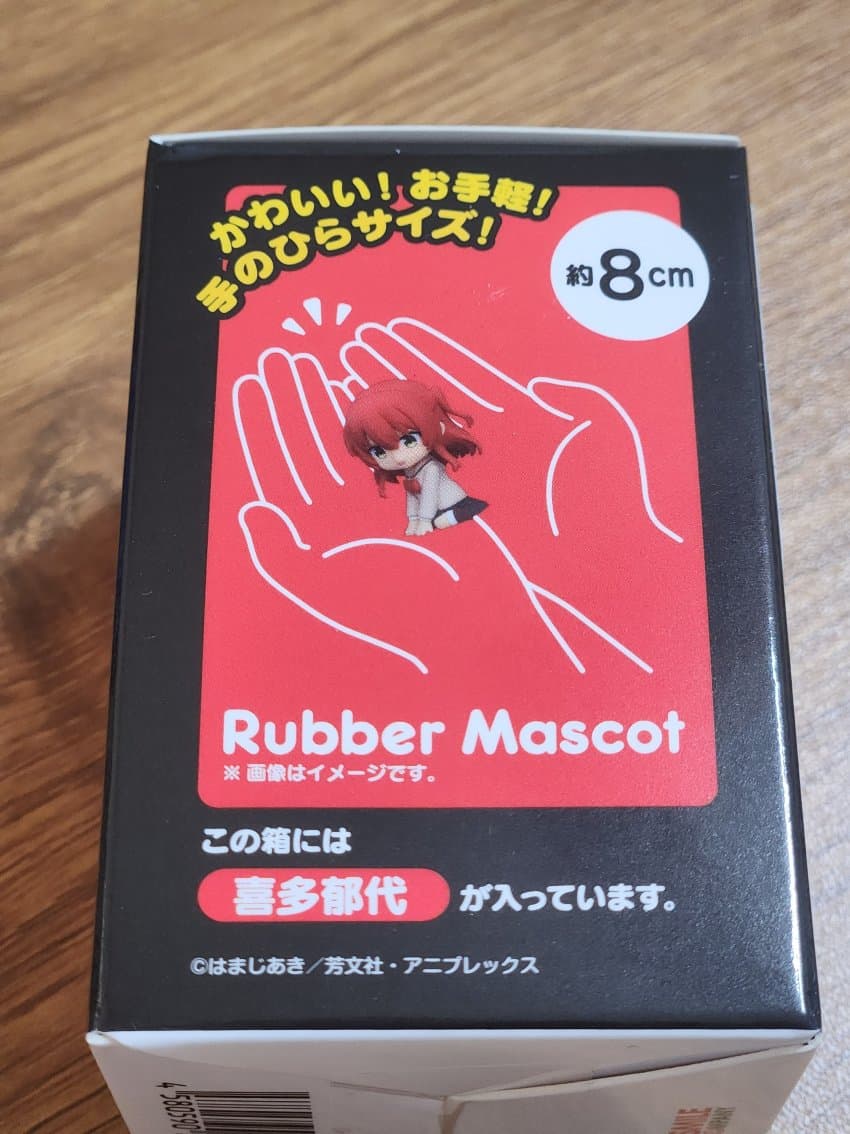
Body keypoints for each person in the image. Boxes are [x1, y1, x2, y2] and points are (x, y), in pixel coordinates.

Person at [342, 380, 488, 536]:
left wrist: (424, 520)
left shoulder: (431, 468)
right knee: (434, 523)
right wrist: (413, 520)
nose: (397, 457)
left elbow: (429, 496)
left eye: (409, 441)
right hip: (434, 513)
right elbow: (413, 497)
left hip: (455, 506)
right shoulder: (411, 472)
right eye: (379, 452)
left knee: (439, 523)